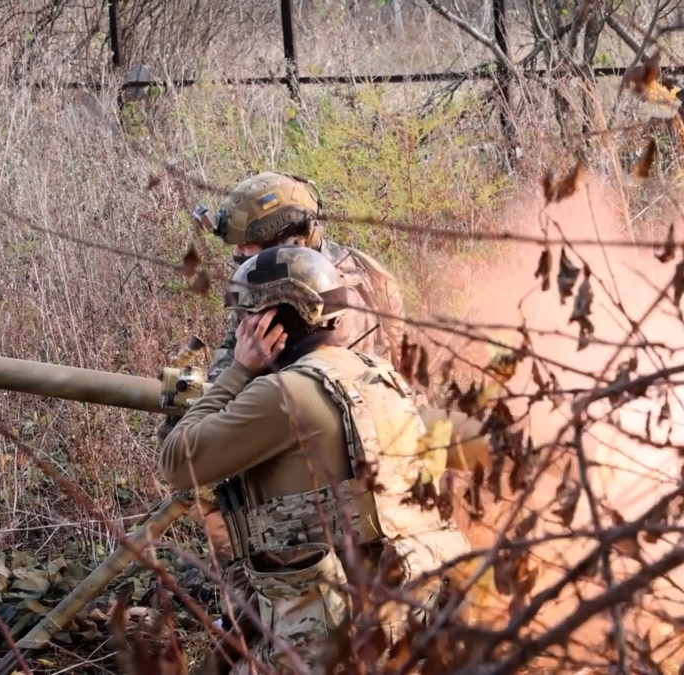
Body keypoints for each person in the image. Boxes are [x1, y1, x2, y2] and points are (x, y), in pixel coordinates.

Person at [157, 245, 472, 674]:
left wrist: (238, 371)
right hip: (414, 613)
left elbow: (176, 461)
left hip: (328, 634)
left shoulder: (281, 394)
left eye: (244, 318)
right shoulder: (379, 376)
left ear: (265, 323)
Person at [197, 170, 408, 381]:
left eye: (246, 244)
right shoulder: (368, 268)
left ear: (289, 241)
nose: (238, 253)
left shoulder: (299, 293)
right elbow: (233, 349)